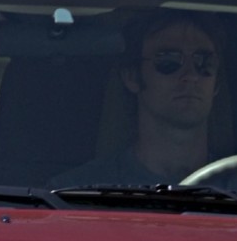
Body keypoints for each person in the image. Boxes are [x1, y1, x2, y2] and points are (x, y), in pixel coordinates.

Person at [51, 15, 224, 188]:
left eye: (204, 62)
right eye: (168, 60)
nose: (191, 76)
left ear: (216, 83)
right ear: (132, 76)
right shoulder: (77, 195)